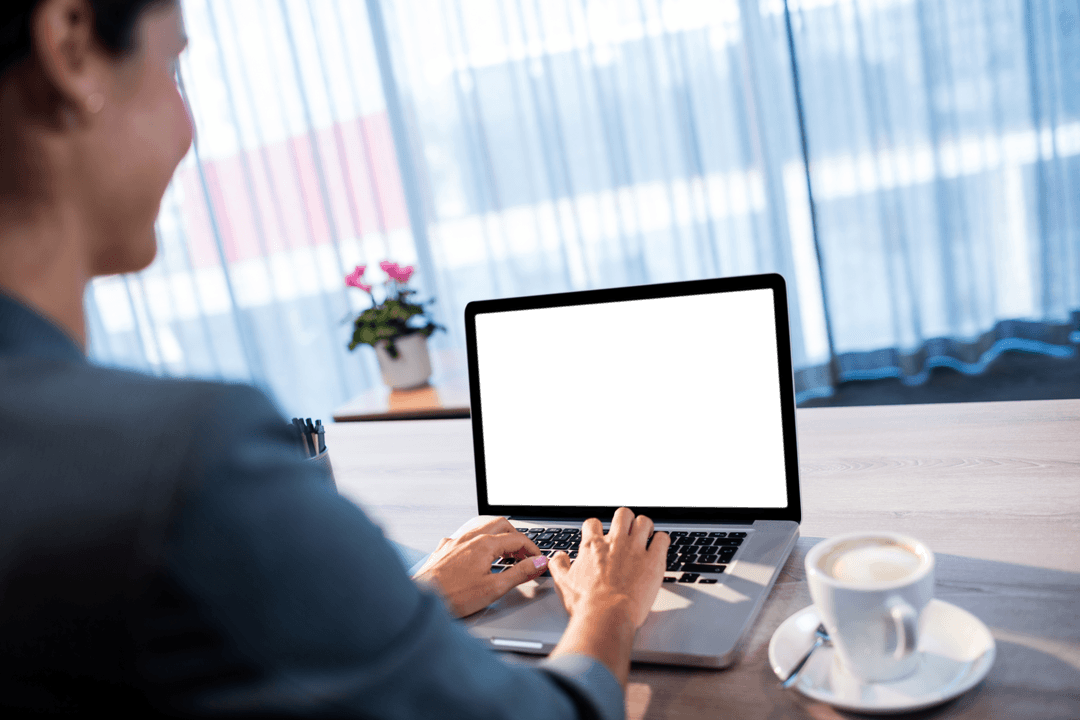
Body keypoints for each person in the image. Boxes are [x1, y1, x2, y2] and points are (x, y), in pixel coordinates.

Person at [0, 1, 671, 718]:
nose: (187, 129)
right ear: (71, 48)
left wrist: (409, 607)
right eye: (172, 67)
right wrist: (609, 603)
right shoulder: (186, 459)